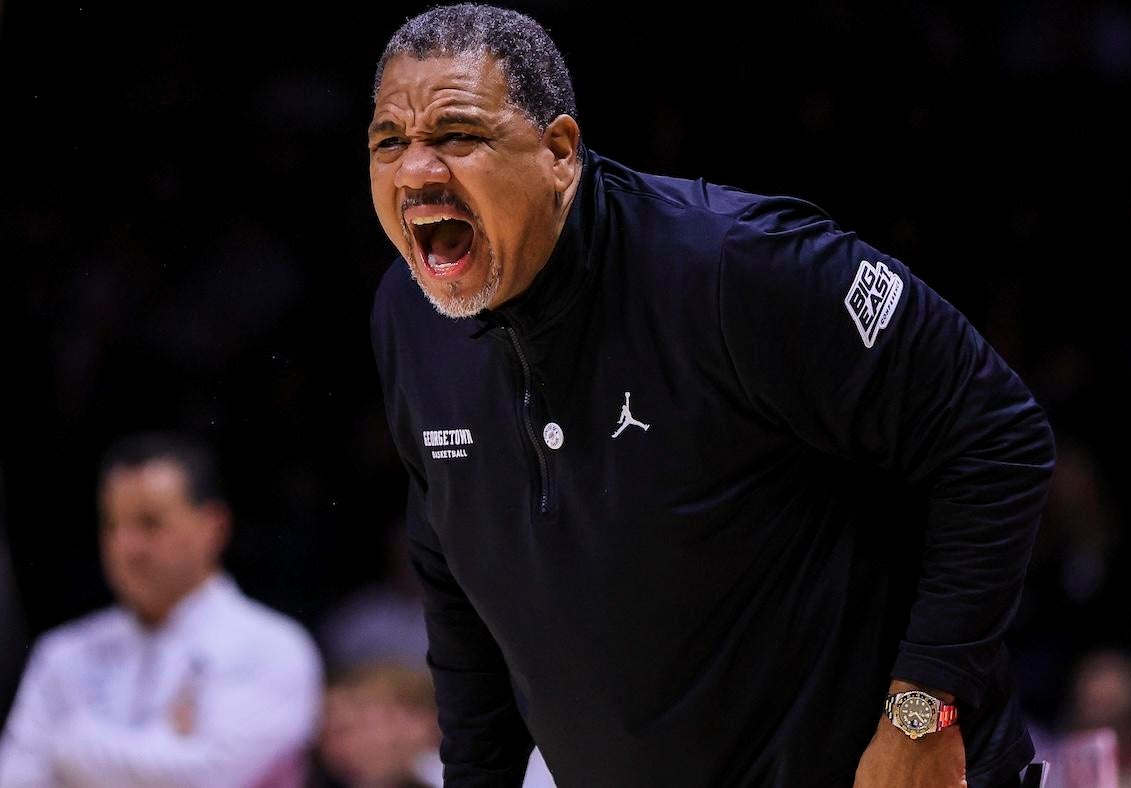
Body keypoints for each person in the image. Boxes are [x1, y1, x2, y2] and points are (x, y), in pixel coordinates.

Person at [366, 5, 1055, 787]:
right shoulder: (409, 314)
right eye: (390, 142)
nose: (416, 171)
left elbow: (996, 435)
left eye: (458, 136)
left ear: (559, 151)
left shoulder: (739, 268)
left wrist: (921, 714)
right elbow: (457, 581)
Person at [0, 433, 323, 787]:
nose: (126, 546)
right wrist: (166, 747)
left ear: (213, 527)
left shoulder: (272, 645)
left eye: (149, 523)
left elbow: (213, 778)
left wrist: (69, 746)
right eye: (112, 525)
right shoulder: (62, 652)